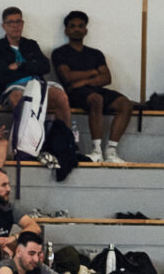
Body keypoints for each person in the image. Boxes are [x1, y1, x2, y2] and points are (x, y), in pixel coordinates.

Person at [51, 11, 132, 164]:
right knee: (96, 99)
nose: (77, 29)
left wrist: (82, 82)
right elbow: (67, 77)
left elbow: (107, 78)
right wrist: (94, 73)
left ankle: (111, 151)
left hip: (92, 89)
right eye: (73, 26)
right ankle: (96, 150)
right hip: (73, 93)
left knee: (125, 104)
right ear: (66, 31)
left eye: (81, 26)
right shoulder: (60, 53)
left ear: (86, 30)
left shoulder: (95, 54)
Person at [0, 8, 73, 131]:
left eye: (18, 22)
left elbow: (45, 67)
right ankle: (26, 139)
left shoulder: (31, 45)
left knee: (61, 97)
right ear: (4, 26)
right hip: (14, 88)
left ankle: (66, 138)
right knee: (18, 99)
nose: (15, 26)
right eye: (11, 22)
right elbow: (0, 76)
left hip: (37, 84)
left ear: (23, 24)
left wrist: (20, 66)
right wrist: (32, 67)